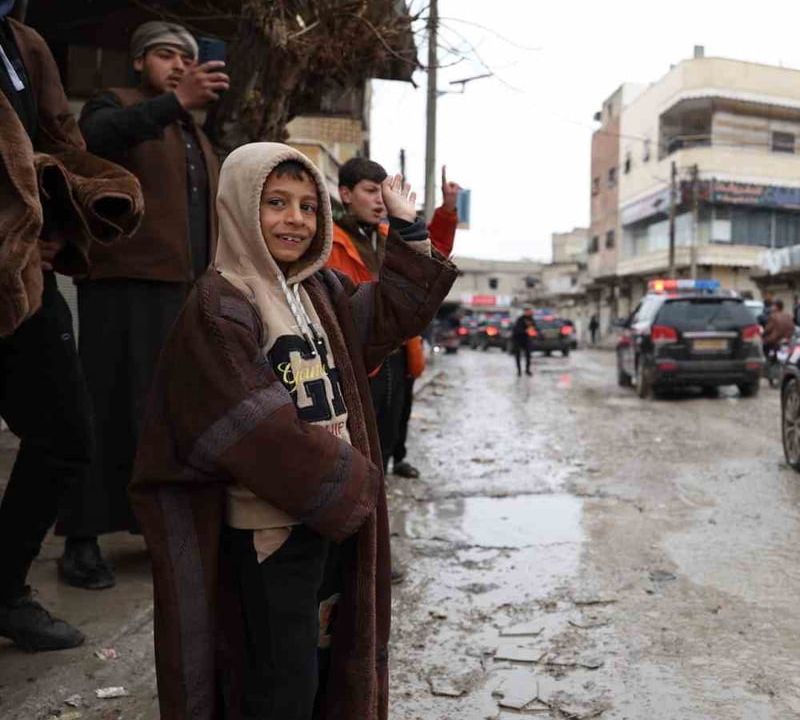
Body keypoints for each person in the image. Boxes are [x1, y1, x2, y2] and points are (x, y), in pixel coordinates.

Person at [130, 143, 458, 719]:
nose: (296, 220)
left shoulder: (319, 290)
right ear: (238, 207)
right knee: (280, 684)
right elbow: (251, 425)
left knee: (322, 665)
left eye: (308, 207)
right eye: (276, 203)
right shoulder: (221, 302)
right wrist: (357, 483)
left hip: (324, 521)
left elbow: (389, 315)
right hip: (271, 535)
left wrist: (408, 229)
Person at [57, 21, 227, 590]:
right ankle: (80, 540)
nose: (179, 66)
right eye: (165, 55)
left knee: (166, 418)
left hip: (184, 292)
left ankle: (155, 528)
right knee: (104, 409)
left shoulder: (191, 130)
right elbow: (93, 140)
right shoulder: (116, 104)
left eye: (187, 58)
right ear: (137, 61)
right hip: (123, 285)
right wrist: (175, 102)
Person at [0, 8, 142, 651]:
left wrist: (61, 224)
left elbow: (59, 144)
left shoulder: (22, 44)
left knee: (64, 434)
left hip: (24, 278)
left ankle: (5, 591)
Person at [326, 157, 457, 477]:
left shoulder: (389, 235)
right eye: (370, 191)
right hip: (356, 353)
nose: (380, 201)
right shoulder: (329, 240)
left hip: (397, 350)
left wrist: (447, 211)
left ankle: (386, 477)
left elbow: (428, 258)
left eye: (382, 193)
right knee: (357, 438)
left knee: (391, 426)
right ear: (345, 194)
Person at [511, 306, 535, 376]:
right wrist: (525, 331)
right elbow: (516, 329)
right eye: (529, 311)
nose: (530, 312)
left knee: (528, 355)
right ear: (525, 312)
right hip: (518, 339)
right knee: (518, 356)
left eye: (531, 311)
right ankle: (519, 371)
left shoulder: (531, 319)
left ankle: (527, 370)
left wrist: (535, 332)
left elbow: (534, 327)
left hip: (527, 339)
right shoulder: (520, 319)